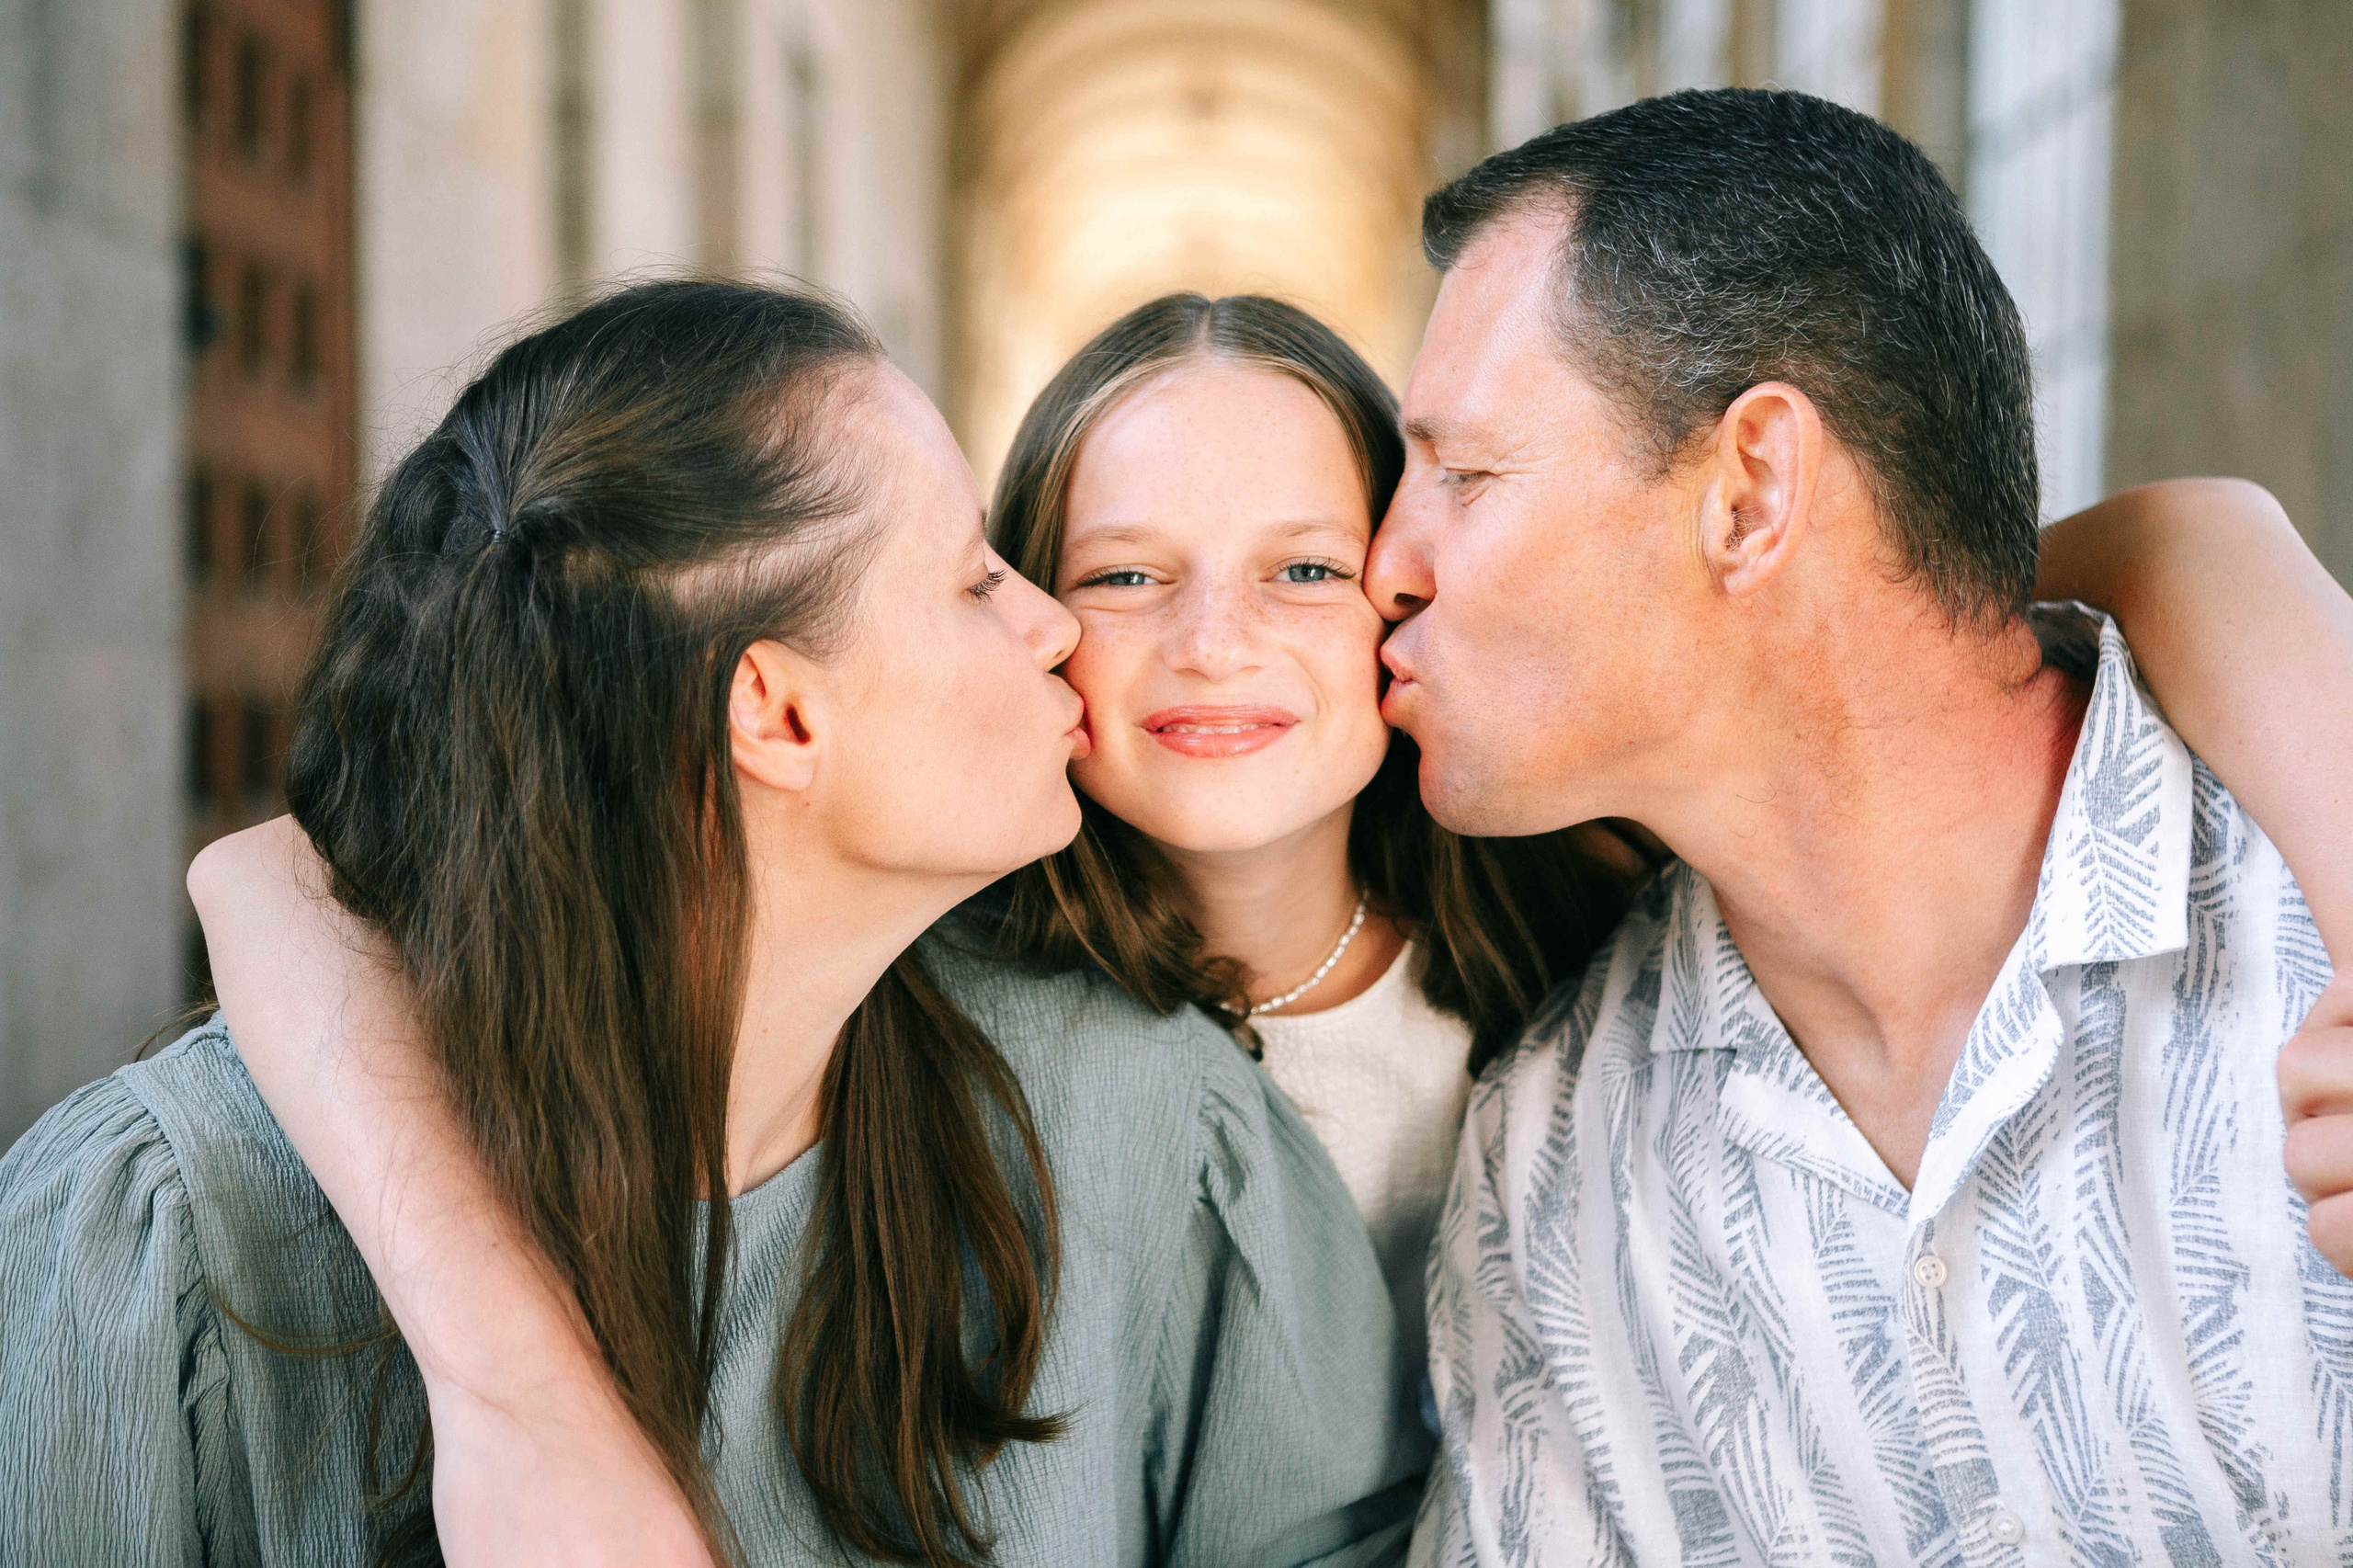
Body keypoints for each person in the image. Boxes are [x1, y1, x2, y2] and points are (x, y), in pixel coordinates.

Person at [182, 254, 2353, 1568]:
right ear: (1021, 616)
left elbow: (2125, 562)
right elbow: (283, 887)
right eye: (1114, 573)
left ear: (1410, 594)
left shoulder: (1592, 941)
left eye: (1306, 567)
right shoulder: (898, 999)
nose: (1210, 642)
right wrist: (510, 1380)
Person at [0, 281, 1429, 1567]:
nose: (1054, 624)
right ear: (778, 712)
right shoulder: (152, 1250)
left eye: (1305, 568)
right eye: (974, 576)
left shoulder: (1147, 1128)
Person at [1377, 90, 2353, 1564]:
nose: (1386, 560)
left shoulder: (2306, 927)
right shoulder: (1553, 1182)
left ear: (1753, 490)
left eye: (1463, 473)